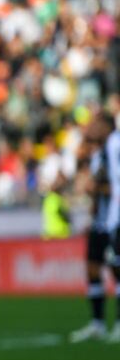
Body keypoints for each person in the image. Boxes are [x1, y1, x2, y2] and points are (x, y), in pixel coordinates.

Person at [71, 115, 120, 343]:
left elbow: (114, 185)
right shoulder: (98, 154)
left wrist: (97, 186)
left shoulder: (115, 148)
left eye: (97, 124)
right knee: (92, 268)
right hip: (100, 221)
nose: (92, 127)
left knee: (116, 269)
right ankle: (97, 324)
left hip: (115, 219)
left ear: (107, 127)